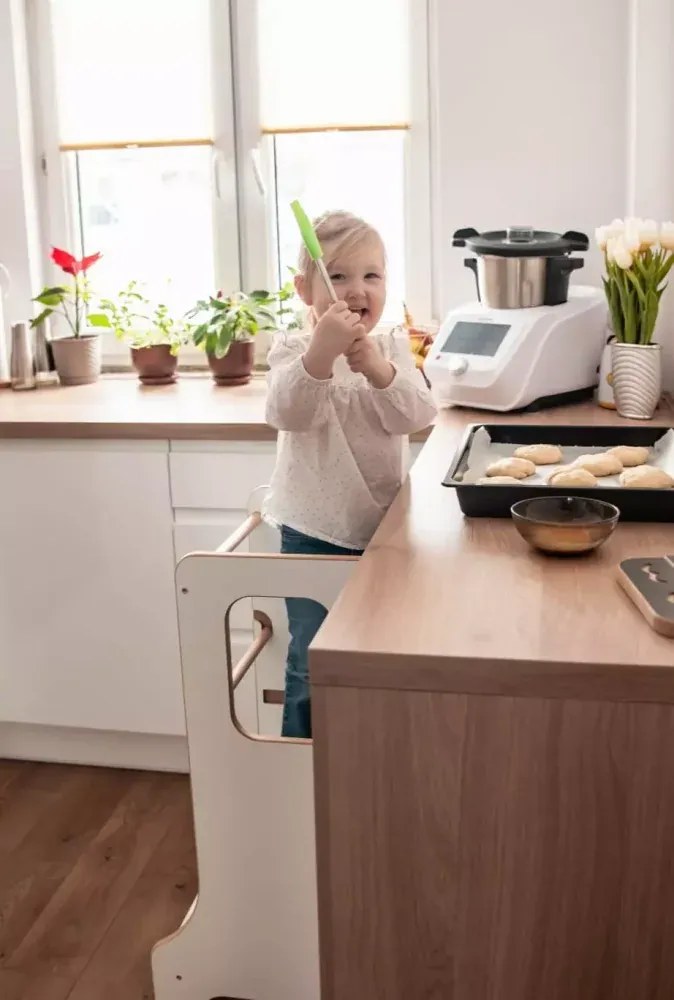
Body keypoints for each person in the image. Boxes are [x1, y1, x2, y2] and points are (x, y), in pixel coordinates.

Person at [264, 210, 437, 738]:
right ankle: (301, 776)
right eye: (337, 275)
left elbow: (418, 415)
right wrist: (321, 355)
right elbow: (286, 412)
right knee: (312, 666)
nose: (357, 289)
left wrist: (379, 370)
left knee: (378, 658)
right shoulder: (293, 349)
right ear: (304, 287)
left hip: (383, 536)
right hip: (312, 535)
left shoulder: (389, 350)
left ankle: (365, 766)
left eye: (372, 275)